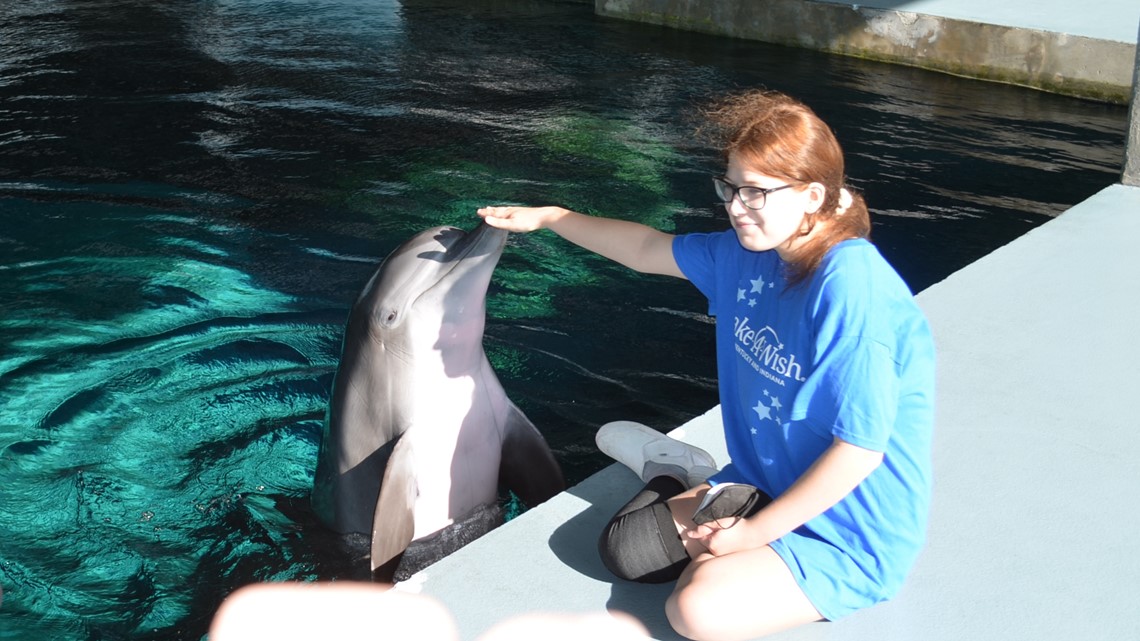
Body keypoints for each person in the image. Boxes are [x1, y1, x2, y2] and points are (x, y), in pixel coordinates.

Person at [477, 90, 935, 641]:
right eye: (731, 187)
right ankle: (676, 466)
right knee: (628, 552)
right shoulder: (750, 253)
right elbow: (646, 249)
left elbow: (859, 451)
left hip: (850, 527)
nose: (736, 207)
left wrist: (751, 535)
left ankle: (735, 537)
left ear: (813, 194)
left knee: (696, 610)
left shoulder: (850, 290)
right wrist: (553, 217)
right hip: (763, 481)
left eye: (756, 192)